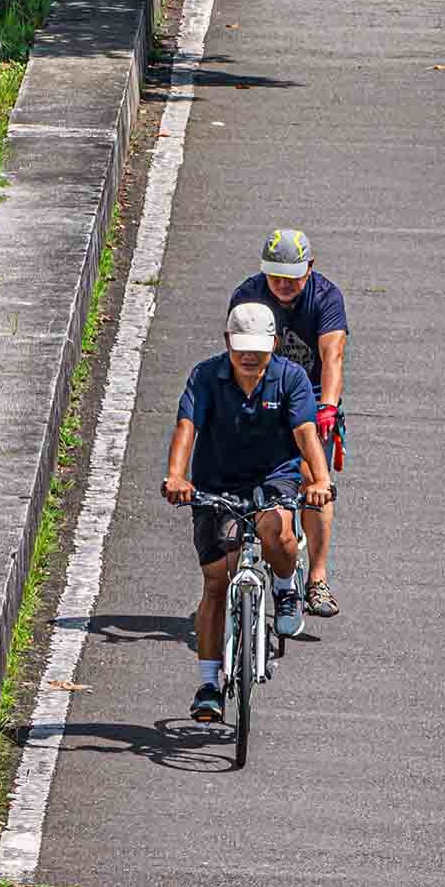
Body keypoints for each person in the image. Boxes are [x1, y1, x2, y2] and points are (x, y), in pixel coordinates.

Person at [163, 298, 333, 725]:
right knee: (216, 582)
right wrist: (176, 477)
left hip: (273, 477)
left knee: (278, 531)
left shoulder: (290, 378)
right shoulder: (205, 376)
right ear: (227, 342)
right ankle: (208, 684)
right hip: (216, 483)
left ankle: (283, 585)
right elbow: (187, 427)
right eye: (241, 347)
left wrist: (319, 481)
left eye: (258, 347)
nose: (250, 356)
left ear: (274, 343)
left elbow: (305, 434)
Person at [228, 227, 350, 619]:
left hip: (312, 398)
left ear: (310, 268)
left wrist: (327, 407)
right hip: (264, 391)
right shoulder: (248, 296)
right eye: (274, 276)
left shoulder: (326, 298)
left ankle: (317, 577)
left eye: (292, 276)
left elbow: (332, 355)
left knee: (315, 480)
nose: (282, 284)